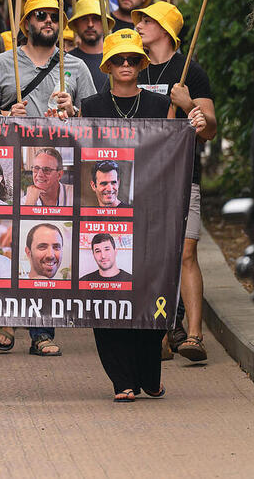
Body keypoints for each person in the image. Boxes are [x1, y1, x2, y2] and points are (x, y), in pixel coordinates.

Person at [81, 28, 205, 398]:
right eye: (118, 59)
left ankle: (148, 373)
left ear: (141, 63)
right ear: (106, 65)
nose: (125, 65)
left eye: (132, 59)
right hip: (101, 222)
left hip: (151, 218)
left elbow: (183, 146)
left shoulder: (160, 106)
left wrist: (192, 120)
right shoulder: (90, 106)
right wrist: (61, 120)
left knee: (148, 295)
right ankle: (122, 381)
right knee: (104, 295)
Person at [0, 0, 96, 119]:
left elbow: (93, 121)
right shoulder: (0, 63)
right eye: (41, 15)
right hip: (13, 139)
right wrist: (9, 115)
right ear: (26, 24)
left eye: (54, 17)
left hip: (60, 138)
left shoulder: (78, 66)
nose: (48, 20)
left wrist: (73, 113)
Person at [67, 0, 107, 89]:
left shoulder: (117, 60)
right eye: (84, 19)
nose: (90, 24)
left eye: (96, 19)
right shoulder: (66, 62)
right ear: (76, 24)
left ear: (105, 23)